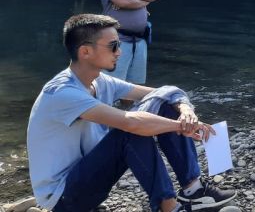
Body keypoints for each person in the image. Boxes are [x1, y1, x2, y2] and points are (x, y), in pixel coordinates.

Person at [26, 14, 235, 212]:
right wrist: (182, 126)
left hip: (89, 181)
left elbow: (163, 93)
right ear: (85, 52)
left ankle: (194, 190)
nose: (119, 52)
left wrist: (186, 110)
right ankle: (169, 207)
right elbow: (132, 124)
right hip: (64, 198)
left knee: (164, 104)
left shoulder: (100, 81)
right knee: (130, 130)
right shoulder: (62, 93)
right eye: (113, 46)